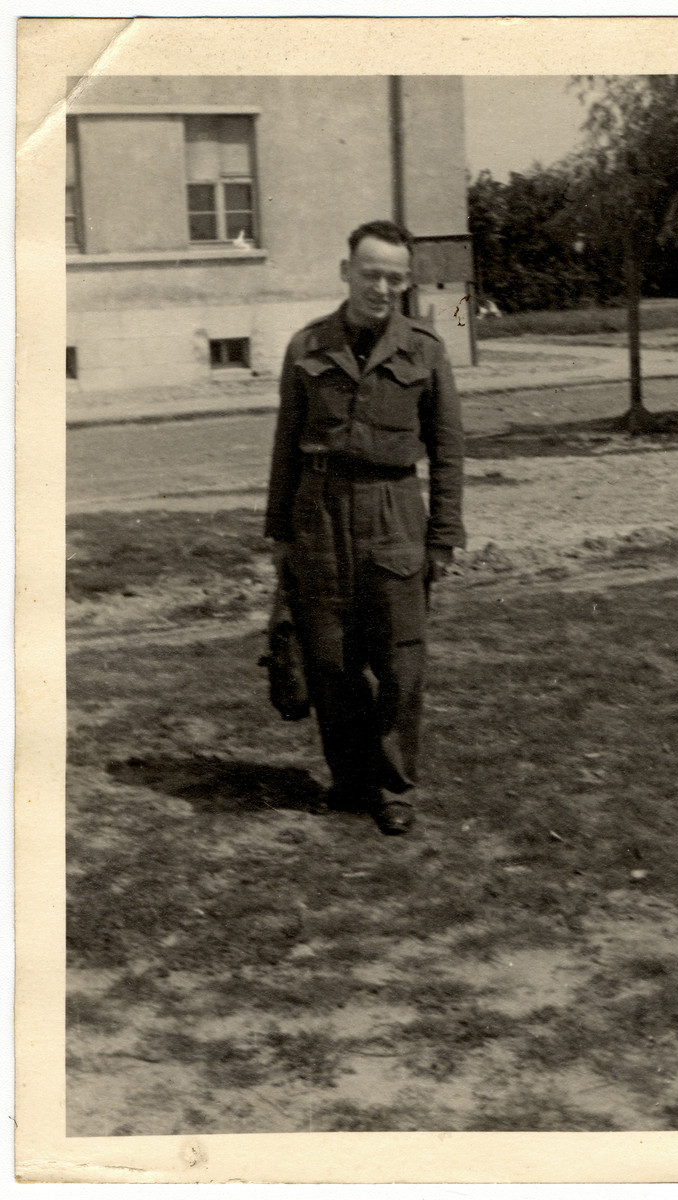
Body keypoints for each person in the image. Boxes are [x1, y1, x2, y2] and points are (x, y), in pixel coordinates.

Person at [264, 220, 465, 835]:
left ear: (406, 282)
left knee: (402, 664)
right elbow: (285, 446)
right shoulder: (306, 347)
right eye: (371, 272)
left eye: (395, 277)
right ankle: (351, 782)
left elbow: (449, 450)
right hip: (318, 512)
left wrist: (443, 535)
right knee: (332, 662)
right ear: (345, 270)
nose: (382, 287)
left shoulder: (426, 349)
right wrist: (280, 533)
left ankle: (393, 786)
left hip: (393, 509)